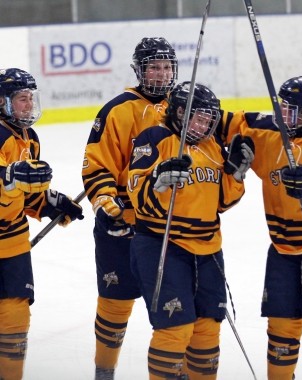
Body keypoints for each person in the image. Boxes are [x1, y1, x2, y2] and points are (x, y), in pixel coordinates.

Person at [127, 81, 255, 380]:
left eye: (210, 118)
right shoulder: (155, 137)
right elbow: (137, 194)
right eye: (198, 117)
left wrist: (236, 174)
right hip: (162, 244)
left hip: (208, 248)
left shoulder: (212, 147)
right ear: (179, 112)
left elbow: (222, 202)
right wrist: (158, 180)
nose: (205, 124)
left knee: (207, 329)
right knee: (175, 328)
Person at [217, 75, 302, 379]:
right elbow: (213, 118)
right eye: (283, 107)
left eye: (295, 112)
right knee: (281, 330)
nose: (284, 115)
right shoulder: (264, 129)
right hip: (282, 246)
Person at [81, 37, 178, 379]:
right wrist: (106, 202)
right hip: (122, 222)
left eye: (167, 66)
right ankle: (104, 370)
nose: (161, 73)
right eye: (154, 66)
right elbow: (96, 167)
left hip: (167, 226)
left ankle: (174, 369)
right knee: (116, 301)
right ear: (139, 70)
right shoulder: (117, 110)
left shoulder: (182, 109)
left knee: (175, 305)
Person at [0, 68, 84, 380]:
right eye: (21, 99)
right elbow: (9, 181)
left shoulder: (30, 139)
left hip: (13, 243)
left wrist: (49, 203)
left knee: (15, 321)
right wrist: (8, 177)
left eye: (30, 98)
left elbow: (26, 192)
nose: (28, 105)